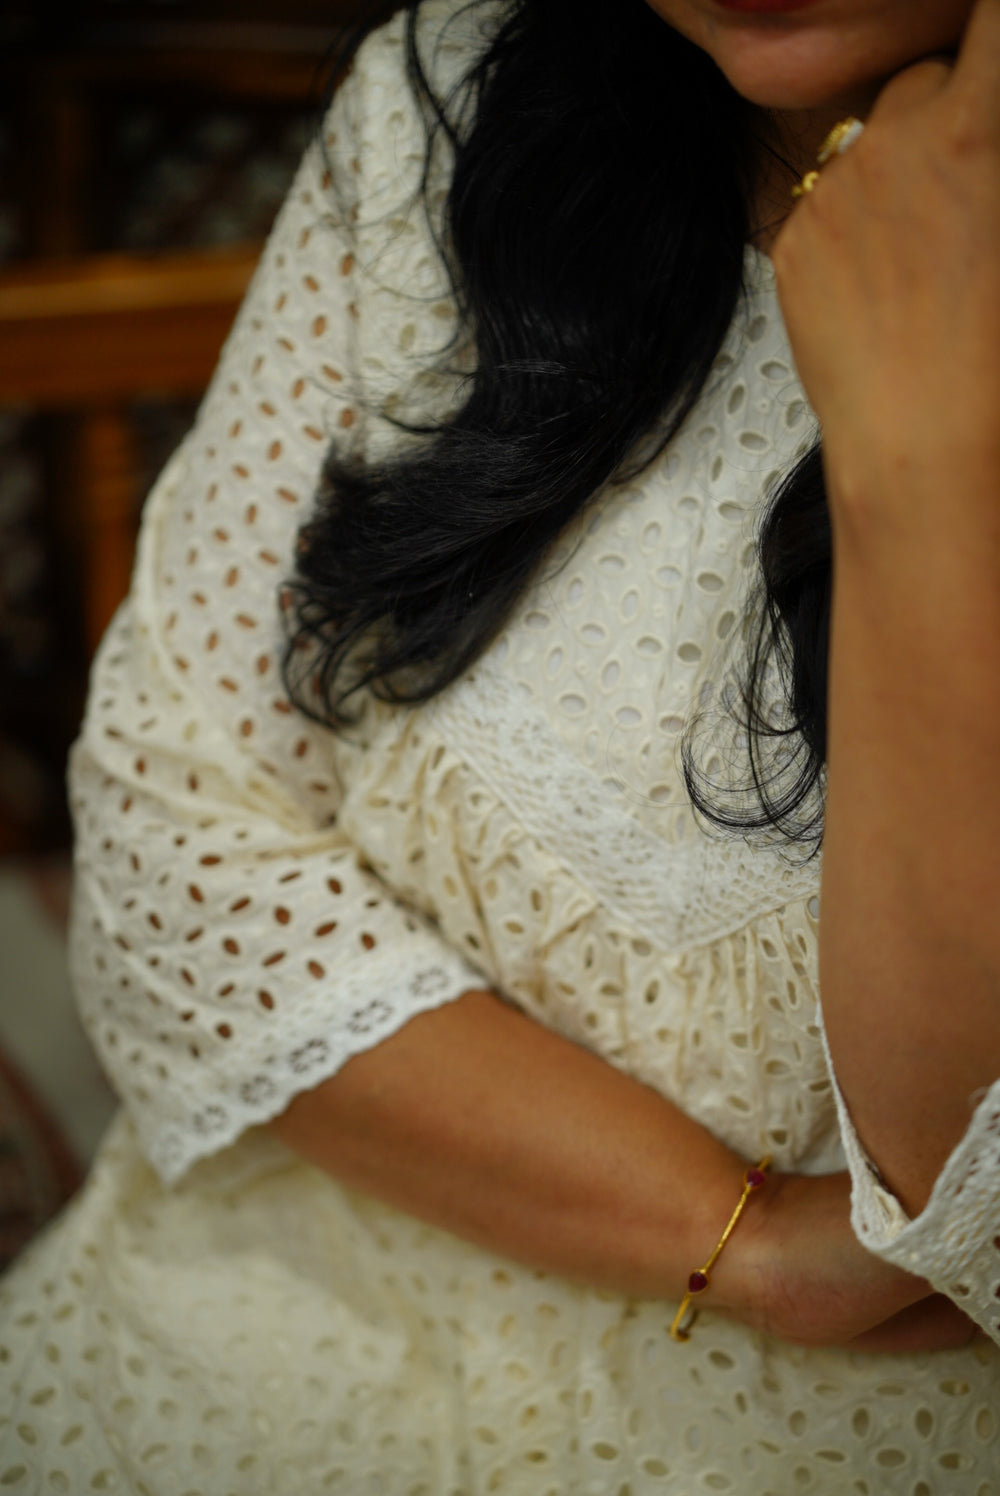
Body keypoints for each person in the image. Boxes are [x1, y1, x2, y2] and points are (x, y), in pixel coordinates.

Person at [2, 0, 999, 1488]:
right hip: (248, 1328)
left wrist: (916, 462)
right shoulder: (457, 101)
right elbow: (172, 848)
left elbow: (956, 1201)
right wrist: (738, 1241)